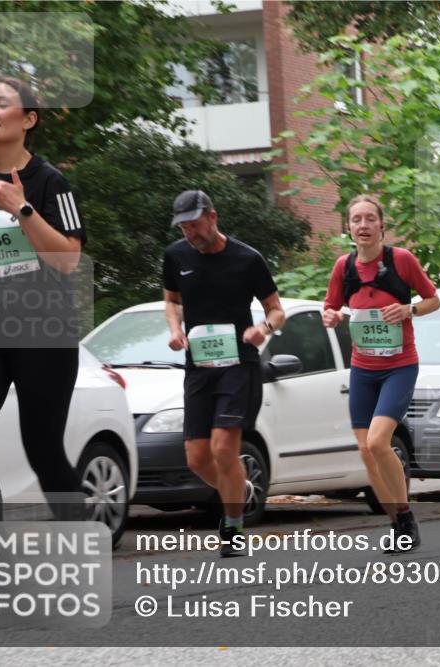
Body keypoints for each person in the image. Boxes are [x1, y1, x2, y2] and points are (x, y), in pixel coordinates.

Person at [0, 76, 88, 616]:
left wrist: (24, 208)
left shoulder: (52, 183)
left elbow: (68, 259)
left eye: (1, 102)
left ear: (28, 118)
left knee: (43, 449)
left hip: (42, 330)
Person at [163, 189, 285, 556]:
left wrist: (262, 329)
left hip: (238, 365)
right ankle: (238, 489)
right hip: (199, 366)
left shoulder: (247, 259)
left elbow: (276, 309)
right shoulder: (175, 255)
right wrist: (174, 329)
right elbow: (171, 299)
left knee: (222, 447)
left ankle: (232, 525)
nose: (190, 232)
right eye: (183, 226)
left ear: (212, 217)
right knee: (196, 458)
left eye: (195, 224)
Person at [322, 195, 439, 553]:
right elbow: (330, 305)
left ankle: (405, 516)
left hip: (399, 366)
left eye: (370, 218)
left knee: (377, 442)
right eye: (356, 219)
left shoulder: (401, 260)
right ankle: (400, 521)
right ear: (349, 228)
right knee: (365, 451)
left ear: (381, 225)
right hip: (363, 369)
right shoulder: (344, 267)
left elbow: (433, 299)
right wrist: (330, 315)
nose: (363, 225)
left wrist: (408, 310)